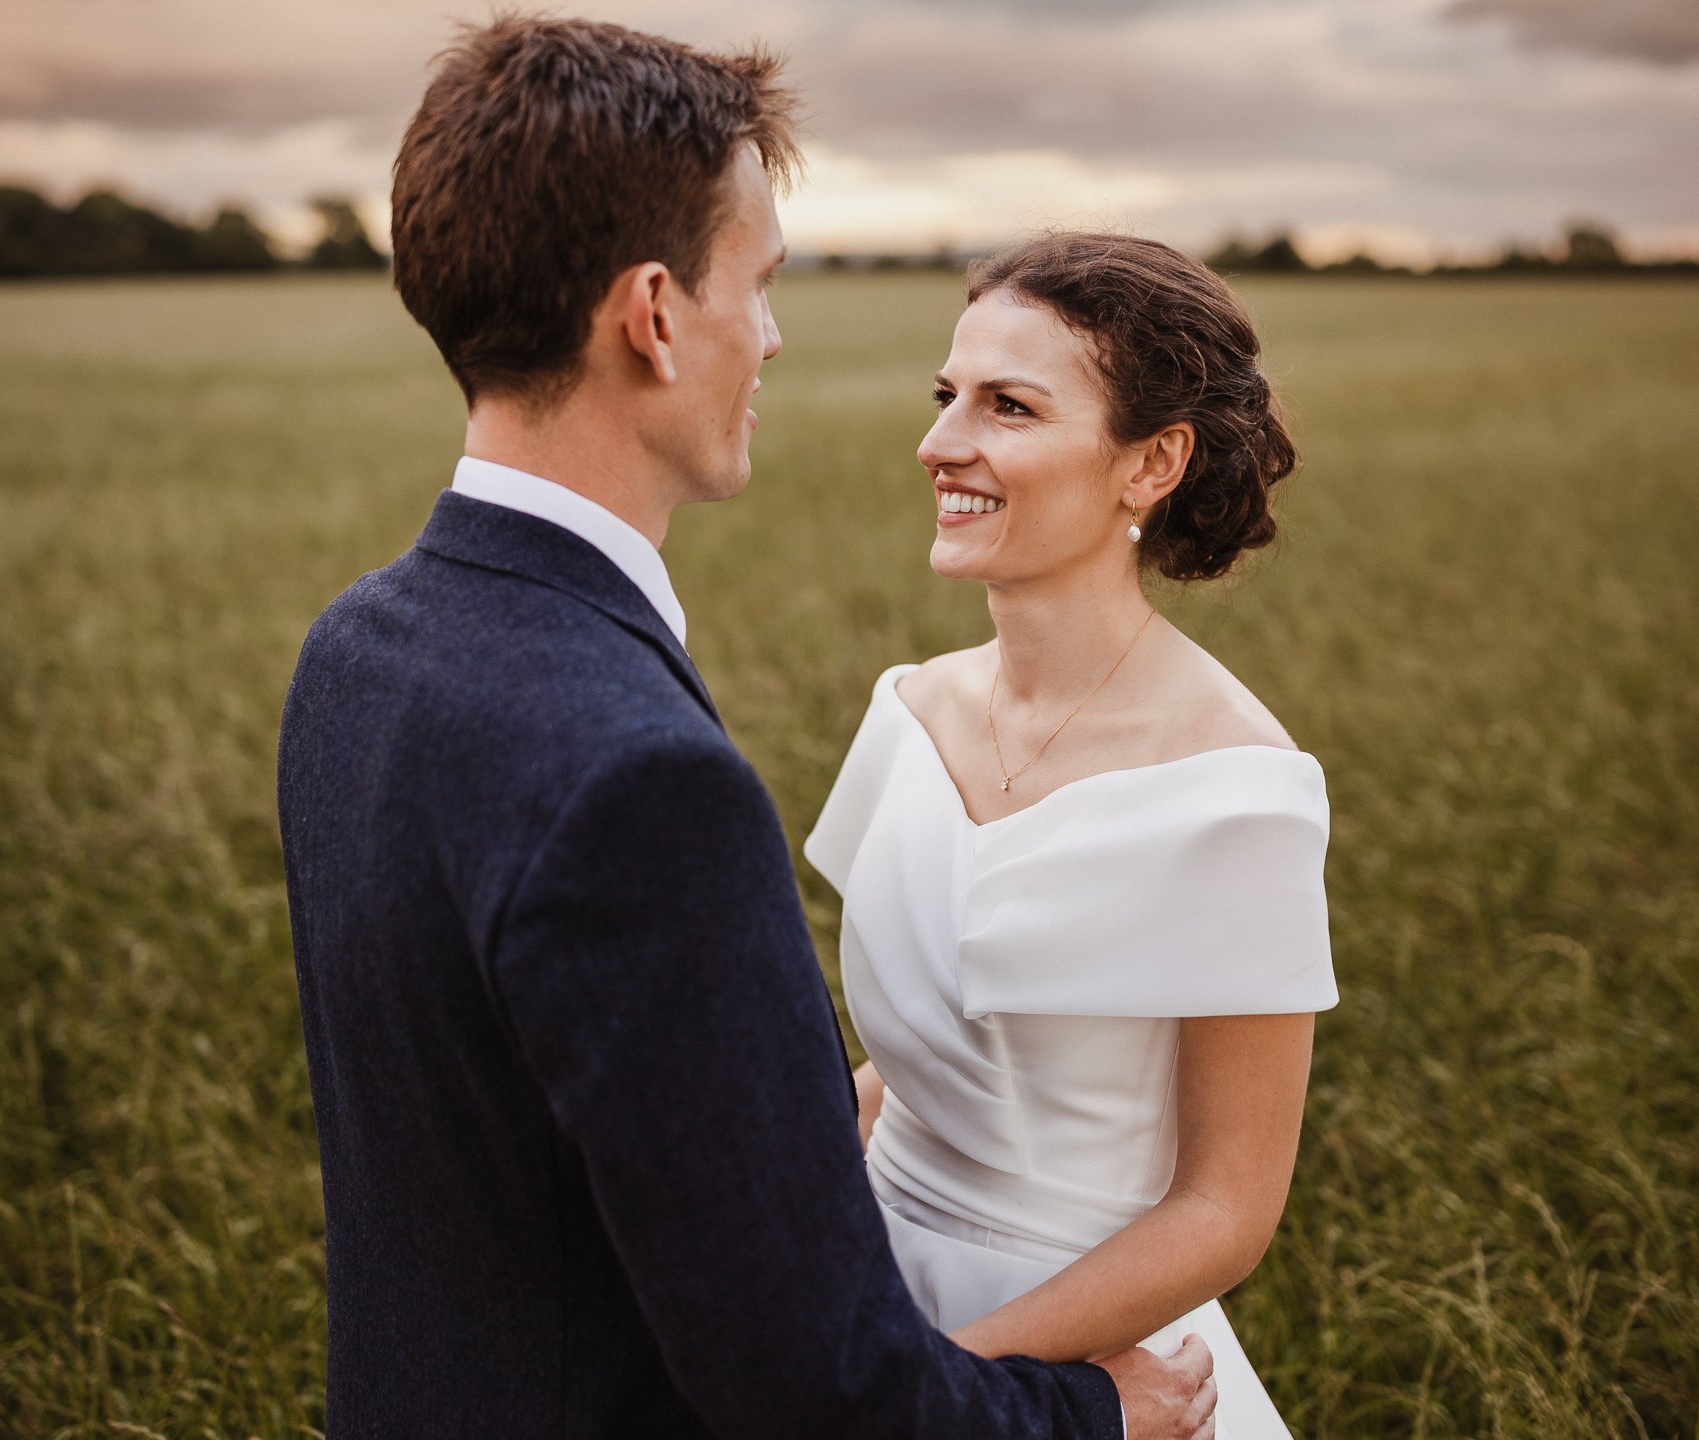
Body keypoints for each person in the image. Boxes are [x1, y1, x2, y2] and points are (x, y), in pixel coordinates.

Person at [276, 18, 1216, 1439]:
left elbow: (497, 1150)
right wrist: (1097, 1413)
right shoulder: (643, 785)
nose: (769, 335)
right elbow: (819, 1398)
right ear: (654, 313)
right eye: (758, 284)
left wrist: (760, 1136)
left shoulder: (354, 653)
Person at [806, 231, 1337, 1439]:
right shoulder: (904, 714)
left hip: (1083, 1353)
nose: (943, 443)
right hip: (873, 1293)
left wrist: (950, 1382)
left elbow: (1225, 1209)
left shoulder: (1237, 788)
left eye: (1010, 407)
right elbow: (915, 1059)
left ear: (1151, 460)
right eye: (948, 398)